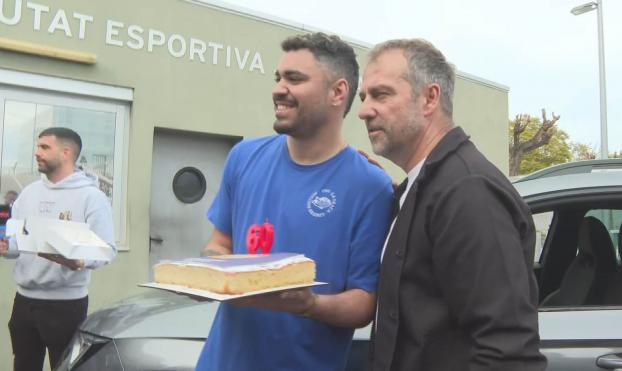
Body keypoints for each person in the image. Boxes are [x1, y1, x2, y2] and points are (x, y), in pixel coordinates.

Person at [196, 32, 393, 371]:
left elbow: (364, 302)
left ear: (337, 92)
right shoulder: (244, 158)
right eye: (278, 78)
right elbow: (219, 242)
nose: (278, 88)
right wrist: (214, 272)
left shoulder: (370, 187)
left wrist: (308, 304)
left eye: (295, 79)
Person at [358, 39, 546, 371]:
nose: (363, 110)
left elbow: (508, 353)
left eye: (381, 94)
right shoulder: (423, 187)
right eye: (364, 97)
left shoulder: (468, 192)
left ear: (430, 98)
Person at [0, 127, 116, 371]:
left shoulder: (91, 197)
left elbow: (107, 249)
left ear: (65, 153)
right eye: (37, 146)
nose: (36, 153)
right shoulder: (29, 194)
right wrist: (5, 246)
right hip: (24, 302)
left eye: (44, 147)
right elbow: (17, 243)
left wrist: (80, 261)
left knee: (65, 368)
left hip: (66, 307)